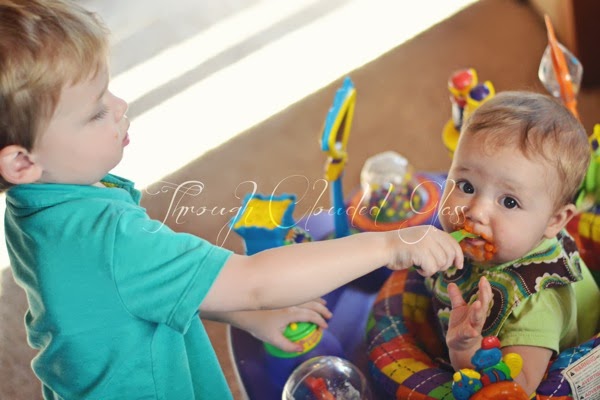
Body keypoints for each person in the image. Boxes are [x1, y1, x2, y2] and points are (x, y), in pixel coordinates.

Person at [0, 1, 464, 399]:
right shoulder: (109, 237)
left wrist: (247, 317)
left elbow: (148, 285)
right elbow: (255, 280)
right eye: (96, 110)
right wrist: (388, 245)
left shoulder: (37, 205)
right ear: (21, 162)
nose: (120, 106)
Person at [430, 90, 600, 396]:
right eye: (466, 185)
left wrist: (464, 350)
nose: (476, 212)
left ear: (554, 221)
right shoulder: (512, 234)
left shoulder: (536, 302)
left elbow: (515, 389)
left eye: (509, 201)